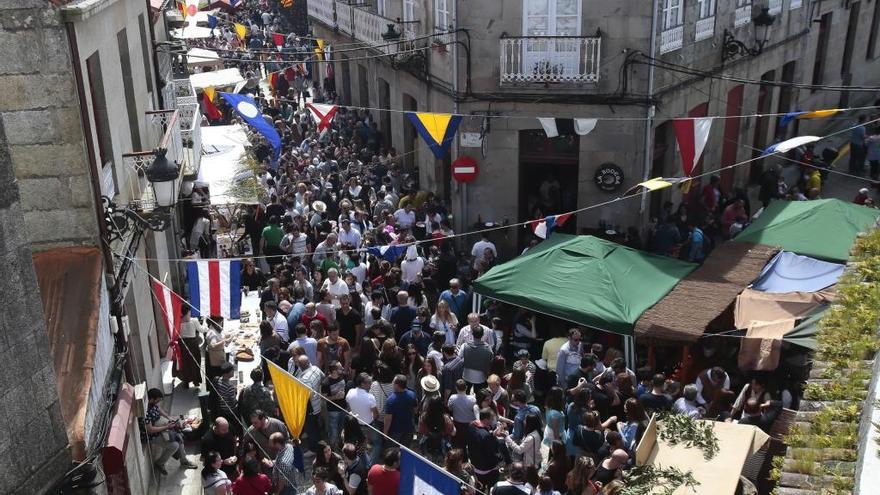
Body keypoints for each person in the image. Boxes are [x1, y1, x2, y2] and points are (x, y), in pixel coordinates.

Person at [145, 388, 197, 475]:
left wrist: (169, 418)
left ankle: (184, 461)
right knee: (174, 445)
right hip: (153, 435)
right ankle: (159, 463)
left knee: (178, 437)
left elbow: (158, 409)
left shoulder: (152, 404)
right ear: (152, 399)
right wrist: (166, 427)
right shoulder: (145, 411)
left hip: (161, 427)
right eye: (157, 400)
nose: (158, 402)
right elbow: (150, 430)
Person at [292, 355, 325, 455]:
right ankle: (319, 440)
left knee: (311, 427)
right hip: (318, 403)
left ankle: (313, 449)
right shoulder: (315, 368)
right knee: (315, 424)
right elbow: (323, 377)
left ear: (300, 365)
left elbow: (305, 396)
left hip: (311, 407)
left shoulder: (305, 379)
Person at [467, 408, 505, 489]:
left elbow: (480, 441)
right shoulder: (486, 436)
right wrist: (501, 460)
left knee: (479, 488)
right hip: (486, 469)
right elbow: (491, 452)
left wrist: (492, 434)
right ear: (485, 419)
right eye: (491, 418)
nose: (493, 420)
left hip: (475, 464)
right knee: (492, 487)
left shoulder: (471, 425)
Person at [504, 415, 543, 486]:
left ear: (530, 423)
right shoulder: (537, 432)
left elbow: (519, 450)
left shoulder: (531, 437)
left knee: (528, 483)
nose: (524, 421)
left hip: (531, 465)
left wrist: (507, 438)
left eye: (525, 420)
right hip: (535, 461)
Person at [383, 374, 418, 448]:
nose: (392, 384)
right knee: (405, 450)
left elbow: (388, 419)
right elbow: (415, 410)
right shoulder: (412, 395)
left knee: (393, 451)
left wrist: (385, 433)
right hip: (408, 429)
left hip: (395, 431)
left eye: (393, 382)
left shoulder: (391, 400)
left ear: (397, 385)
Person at [177, 306, 205, 388]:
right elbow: (201, 330)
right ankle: (192, 381)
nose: (190, 314)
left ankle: (190, 381)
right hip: (189, 345)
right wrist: (206, 327)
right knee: (192, 363)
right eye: (189, 312)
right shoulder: (193, 320)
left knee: (189, 363)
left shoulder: (179, 322)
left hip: (186, 345)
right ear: (187, 313)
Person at [461, 325, 494, 391]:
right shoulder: (488, 348)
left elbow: (460, 359)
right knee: (480, 397)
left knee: (466, 393)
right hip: (481, 378)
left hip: (466, 376)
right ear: (483, 335)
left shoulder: (464, 346)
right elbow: (490, 361)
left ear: (472, 334)